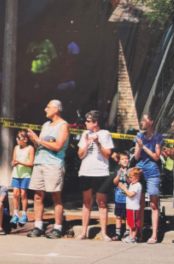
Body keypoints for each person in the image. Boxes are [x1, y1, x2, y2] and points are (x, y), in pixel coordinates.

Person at [26, 100, 70, 239]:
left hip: (53, 165)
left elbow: (57, 146)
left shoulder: (63, 125)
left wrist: (38, 140)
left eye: (48, 107)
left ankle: (58, 228)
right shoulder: (45, 125)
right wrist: (34, 139)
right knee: (38, 196)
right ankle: (38, 226)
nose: (45, 109)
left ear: (56, 109)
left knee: (56, 196)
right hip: (40, 163)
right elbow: (41, 145)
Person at [76, 110, 115, 240]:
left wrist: (97, 143)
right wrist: (87, 145)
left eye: (88, 121)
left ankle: (104, 233)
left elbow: (107, 155)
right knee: (87, 202)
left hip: (101, 172)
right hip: (86, 171)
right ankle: (83, 233)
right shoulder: (85, 134)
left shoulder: (105, 134)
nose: (85, 123)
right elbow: (80, 155)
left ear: (95, 122)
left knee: (102, 203)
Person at [135, 113, 165, 244]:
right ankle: (139, 233)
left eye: (144, 120)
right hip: (140, 170)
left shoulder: (158, 137)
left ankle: (154, 234)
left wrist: (144, 147)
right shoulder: (140, 136)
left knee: (153, 203)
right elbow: (136, 157)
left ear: (151, 122)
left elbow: (156, 157)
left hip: (152, 171)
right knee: (140, 204)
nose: (142, 122)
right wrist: (138, 146)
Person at [9, 130, 34, 228]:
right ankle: (15, 214)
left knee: (23, 194)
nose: (17, 139)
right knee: (15, 194)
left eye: (19, 138)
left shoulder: (30, 148)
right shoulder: (16, 148)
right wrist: (14, 163)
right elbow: (14, 160)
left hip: (25, 175)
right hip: (16, 174)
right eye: (16, 137)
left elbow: (31, 163)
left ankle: (24, 214)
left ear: (25, 139)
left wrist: (20, 162)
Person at [118, 168, 143, 244]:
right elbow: (129, 192)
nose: (130, 179)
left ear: (137, 178)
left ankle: (133, 237)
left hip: (134, 208)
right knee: (130, 223)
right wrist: (125, 175)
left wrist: (125, 189)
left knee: (134, 224)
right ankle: (131, 236)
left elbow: (131, 194)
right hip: (129, 207)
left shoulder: (137, 185)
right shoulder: (132, 184)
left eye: (131, 177)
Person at [111, 153, 131, 240]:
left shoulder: (130, 171)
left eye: (126, 158)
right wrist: (119, 175)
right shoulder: (117, 171)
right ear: (119, 161)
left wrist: (126, 175)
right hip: (118, 198)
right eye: (123, 159)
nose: (125, 160)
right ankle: (118, 233)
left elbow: (130, 182)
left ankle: (127, 232)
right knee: (118, 216)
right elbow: (114, 182)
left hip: (128, 198)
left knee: (127, 216)